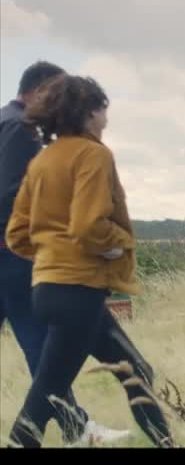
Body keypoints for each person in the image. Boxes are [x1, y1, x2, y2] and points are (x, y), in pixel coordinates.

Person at [5, 73, 174, 448]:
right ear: (88, 112)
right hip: (77, 291)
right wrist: (117, 242)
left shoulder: (43, 160)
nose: (106, 118)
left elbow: (16, 234)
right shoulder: (94, 154)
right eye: (103, 109)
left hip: (49, 287)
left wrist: (52, 253)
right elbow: (87, 225)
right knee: (46, 394)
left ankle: (167, 444)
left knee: (136, 370)